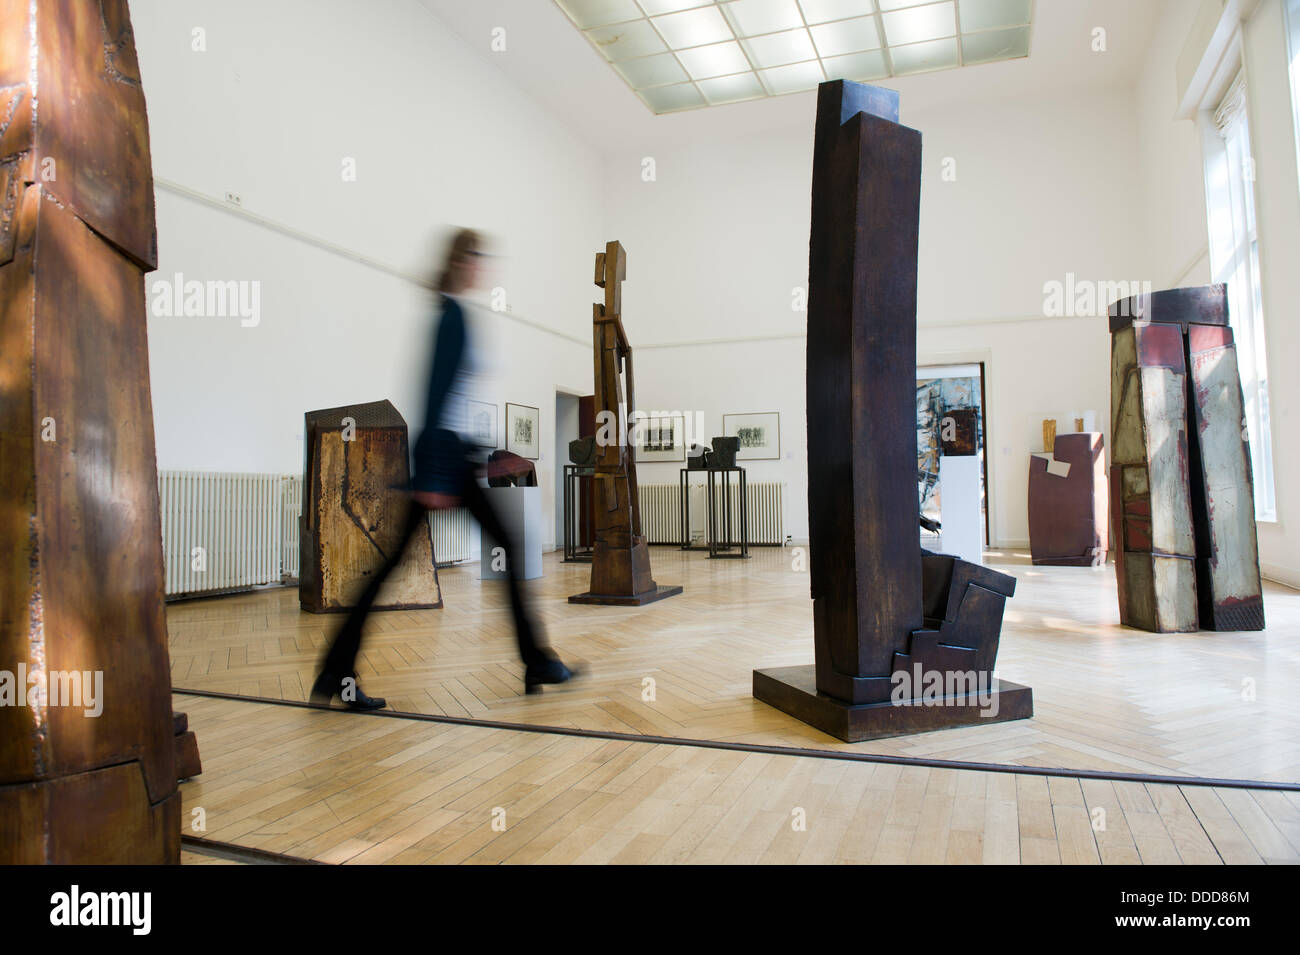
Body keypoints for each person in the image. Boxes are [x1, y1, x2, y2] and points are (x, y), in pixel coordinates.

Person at [311, 228, 579, 710]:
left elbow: (450, 404)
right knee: (492, 549)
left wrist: (486, 455)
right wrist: (436, 473)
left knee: (420, 561)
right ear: (463, 261)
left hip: (450, 454)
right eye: (479, 257)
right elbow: (434, 396)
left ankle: (336, 672)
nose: (484, 267)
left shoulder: (453, 314)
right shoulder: (452, 317)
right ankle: (535, 658)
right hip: (442, 458)